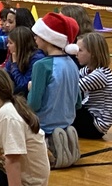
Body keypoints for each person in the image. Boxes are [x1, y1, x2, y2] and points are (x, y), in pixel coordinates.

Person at [29, 13, 83, 168]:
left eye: (37, 34)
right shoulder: (72, 64)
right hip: (67, 120)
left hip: (44, 123)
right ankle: (64, 136)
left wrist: (31, 89)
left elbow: (33, 104)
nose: (35, 38)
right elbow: (78, 103)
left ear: (48, 38)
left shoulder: (41, 65)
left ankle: (47, 145)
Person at [73, 32, 112, 139]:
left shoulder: (100, 75)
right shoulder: (88, 70)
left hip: (96, 126)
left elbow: (70, 88)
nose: (76, 54)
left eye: (80, 50)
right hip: (90, 117)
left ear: (93, 54)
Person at [5, 26, 43, 95]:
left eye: (10, 43)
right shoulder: (14, 54)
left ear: (20, 44)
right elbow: (5, 75)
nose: (7, 45)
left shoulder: (37, 59)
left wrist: (14, 65)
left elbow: (23, 85)